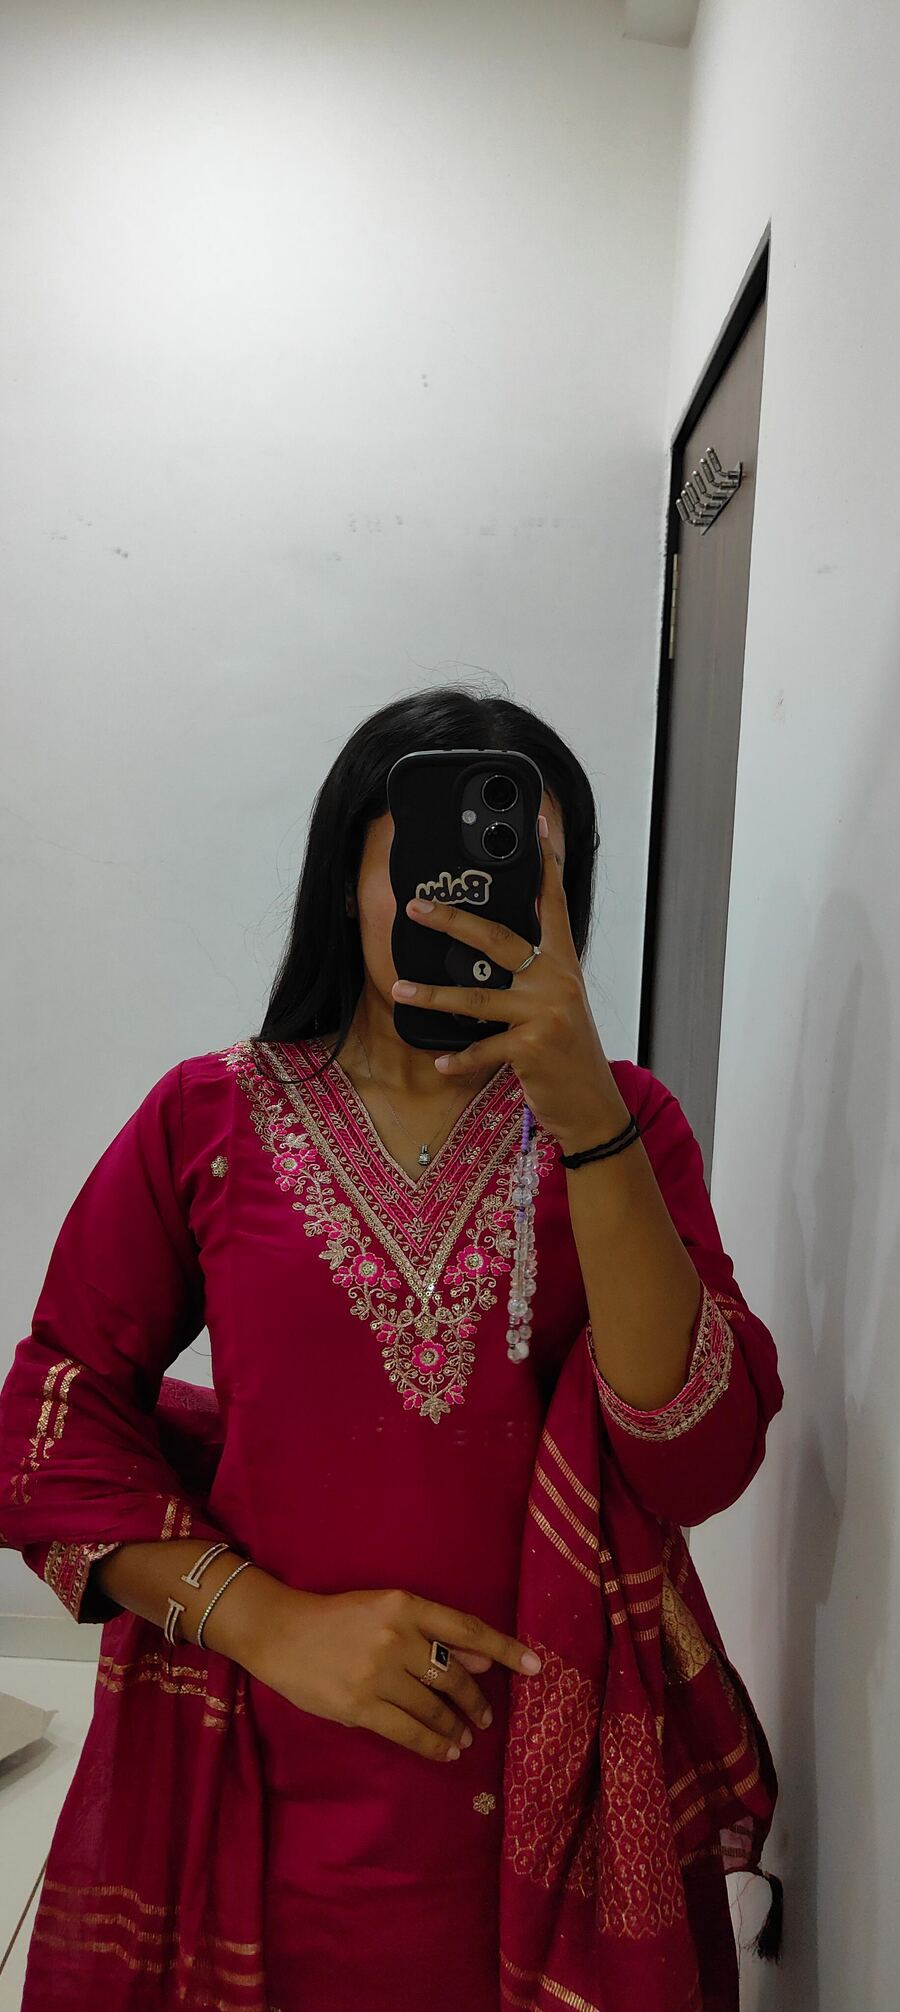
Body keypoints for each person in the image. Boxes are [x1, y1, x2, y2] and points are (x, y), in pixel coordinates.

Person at [0, 685, 784, 2010]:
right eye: (418, 862)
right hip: (267, 1781)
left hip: (553, 1806)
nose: (464, 899)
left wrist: (586, 1117)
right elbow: (50, 1414)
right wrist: (264, 1621)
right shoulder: (209, 1117)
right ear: (348, 881)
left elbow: (695, 1462)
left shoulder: (626, 1127)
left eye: (521, 868)